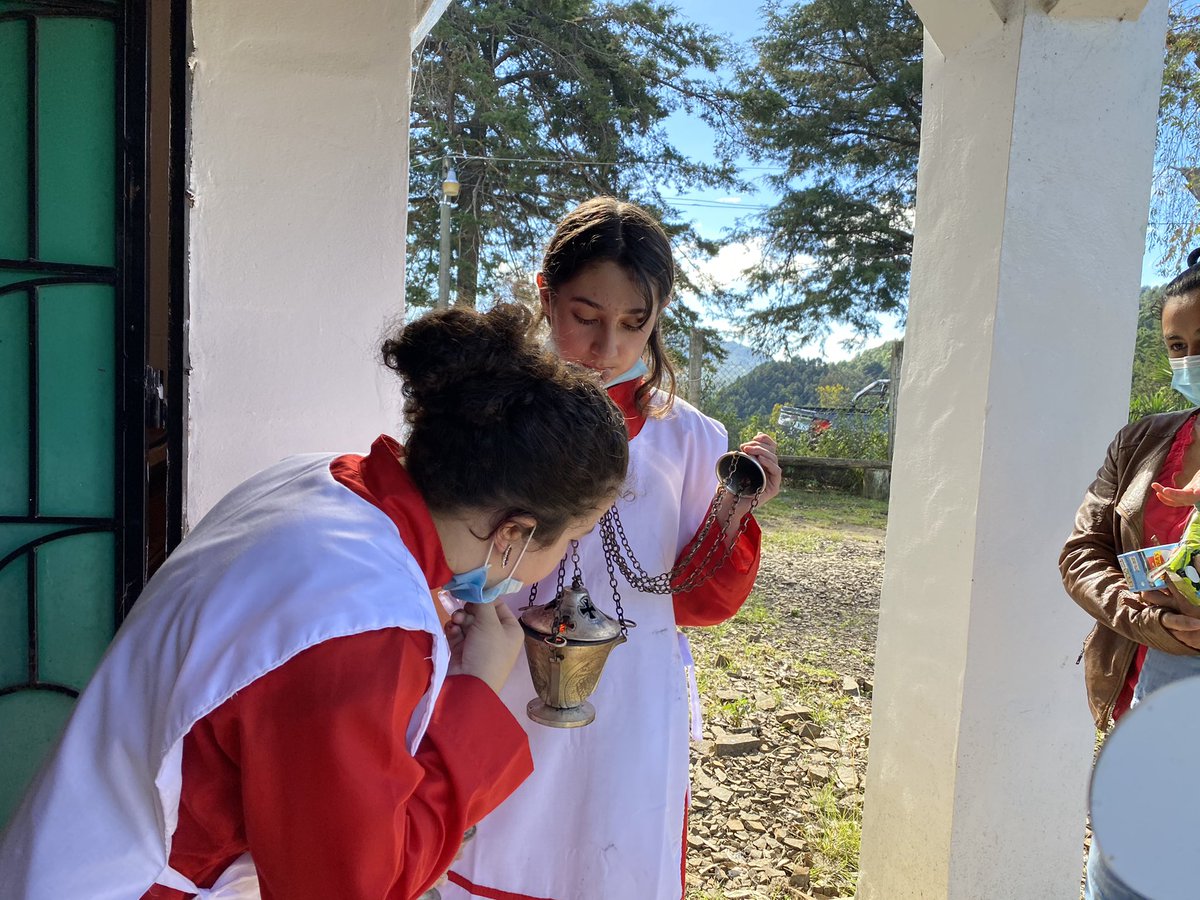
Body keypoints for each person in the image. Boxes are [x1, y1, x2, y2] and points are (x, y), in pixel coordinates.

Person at [0, 304, 630, 900]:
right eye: (570, 538)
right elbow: (355, 885)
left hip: (73, 840)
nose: (561, 562)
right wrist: (476, 694)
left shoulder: (317, 479)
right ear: (514, 533)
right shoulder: (364, 630)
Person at [446, 197, 782, 900]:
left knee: (613, 859)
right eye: (585, 317)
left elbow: (699, 599)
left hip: (631, 692)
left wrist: (735, 508)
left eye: (635, 324)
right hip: (502, 669)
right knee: (499, 843)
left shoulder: (691, 439)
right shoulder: (492, 417)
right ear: (546, 297)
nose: (609, 349)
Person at [1060, 248, 1200, 900]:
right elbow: (1082, 552)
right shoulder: (1142, 442)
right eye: (1178, 344)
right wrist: (1150, 617)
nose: (1189, 358)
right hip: (1139, 707)